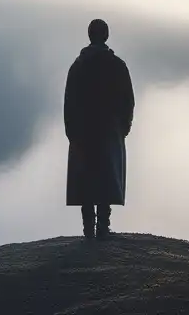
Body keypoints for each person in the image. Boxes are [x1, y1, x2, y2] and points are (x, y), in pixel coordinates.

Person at [64, 18, 135, 240]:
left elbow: (69, 101)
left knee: (85, 177)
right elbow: (128, 100)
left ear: (89, 35)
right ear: (105, 36)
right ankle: (103, 227)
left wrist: (71, 130)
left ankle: (88, 230)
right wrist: (124, 126)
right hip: (109, 130)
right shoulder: (117, 65)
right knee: (106, 176)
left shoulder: (78, 65)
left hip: (83, 130)